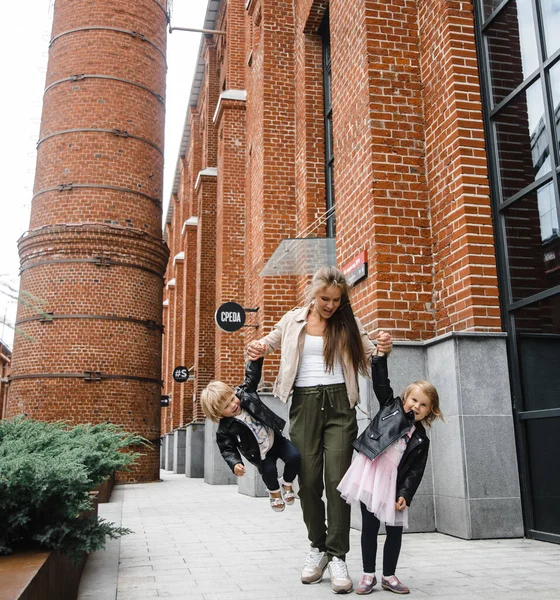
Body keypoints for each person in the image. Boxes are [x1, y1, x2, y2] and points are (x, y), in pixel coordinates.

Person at [246, 266, 390, 594]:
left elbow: (371, 355)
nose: (330, 305)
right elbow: (269, 342)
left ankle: (338, 555)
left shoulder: (348, 323)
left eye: (336, 300)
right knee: (308, 482)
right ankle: (318, 547)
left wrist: (384, 347)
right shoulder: (293, 319)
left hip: (341, 404)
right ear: (314, 293)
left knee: (338, 482)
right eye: (325, 298)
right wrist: (258, 347)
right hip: (304, 405)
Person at [337, 332, 444, 595]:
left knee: (394, 532)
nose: (416, 406)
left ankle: (389, 576)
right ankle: (368, 575)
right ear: (405, 398)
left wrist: (405, 494)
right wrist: (380, 356)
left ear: (430, 411)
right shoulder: (390, 407)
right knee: (370, 528)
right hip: (371, 474)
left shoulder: (421, 439)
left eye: (423, 405)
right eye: (414, 400)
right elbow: (381, 383)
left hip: (395, 485)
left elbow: (415, 471)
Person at [200, 357, 301, 512]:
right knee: (269, 472)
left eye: (232, 398)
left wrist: (256, 357)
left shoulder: (246, 394)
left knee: (294, 457)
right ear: (217, 413)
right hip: (261, 454)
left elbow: (251, 376)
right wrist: (235, 464)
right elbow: (227, 450)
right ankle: (274, 493)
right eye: (226, 406)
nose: (233, 405)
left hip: (276, 440)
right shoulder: (224, 429)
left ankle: (287, 483)